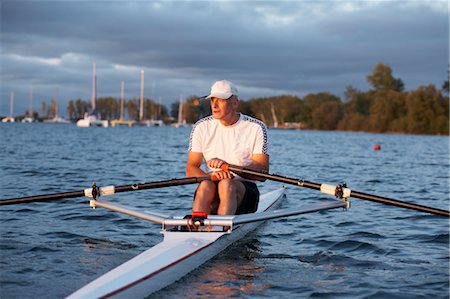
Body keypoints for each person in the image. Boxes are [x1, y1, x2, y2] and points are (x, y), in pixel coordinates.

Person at [186, 80, 269, 215]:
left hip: (245, 191)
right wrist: (210, 176)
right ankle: (196, 225)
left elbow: (263, 172)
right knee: (206, 184)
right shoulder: (201, 127)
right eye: (213, 100)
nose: (215, 105)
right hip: (211, 186)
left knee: (226, 184)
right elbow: (191, 169)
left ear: (235, 103)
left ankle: (222, 229)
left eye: (221, 100)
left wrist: (227, 167)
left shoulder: (256, 127)